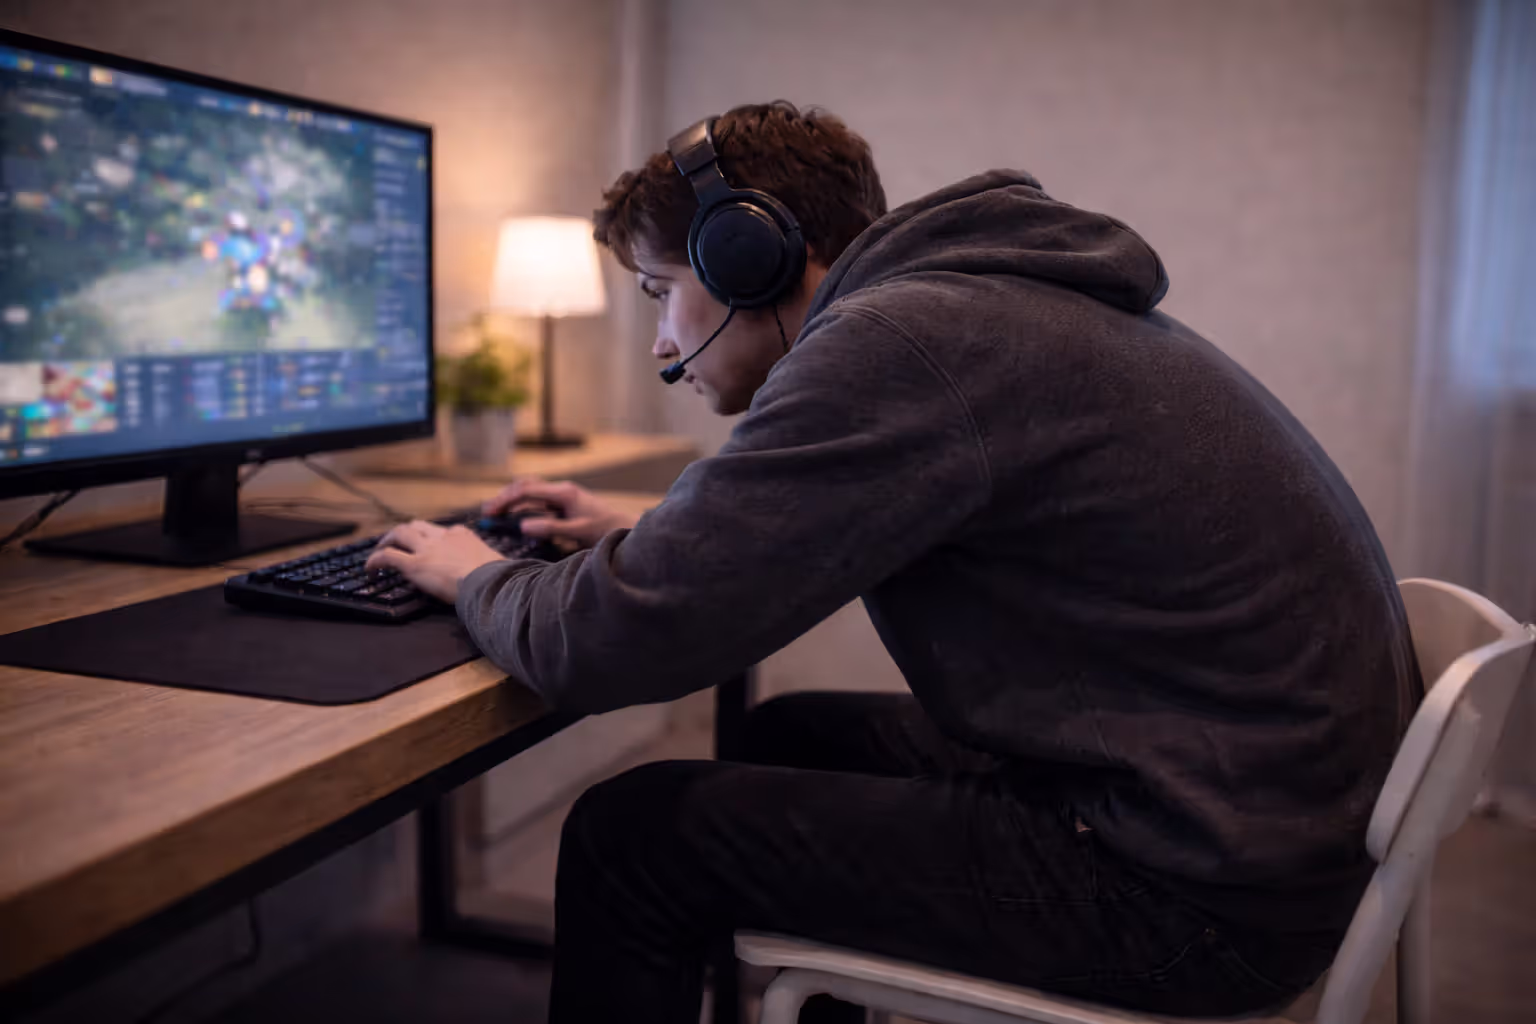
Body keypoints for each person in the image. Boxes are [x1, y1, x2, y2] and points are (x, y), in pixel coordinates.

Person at [366, 102, 1421, 1023]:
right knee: (787, 735)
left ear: (751, 257)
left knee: (628, 834)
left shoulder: (901, 347)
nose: (658, 342)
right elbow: (796, 521)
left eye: (659, 290)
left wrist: (476, 575)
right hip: (1247, 820)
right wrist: (644, 532)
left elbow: (607, 643)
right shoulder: (974, 309)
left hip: (1187, 896)